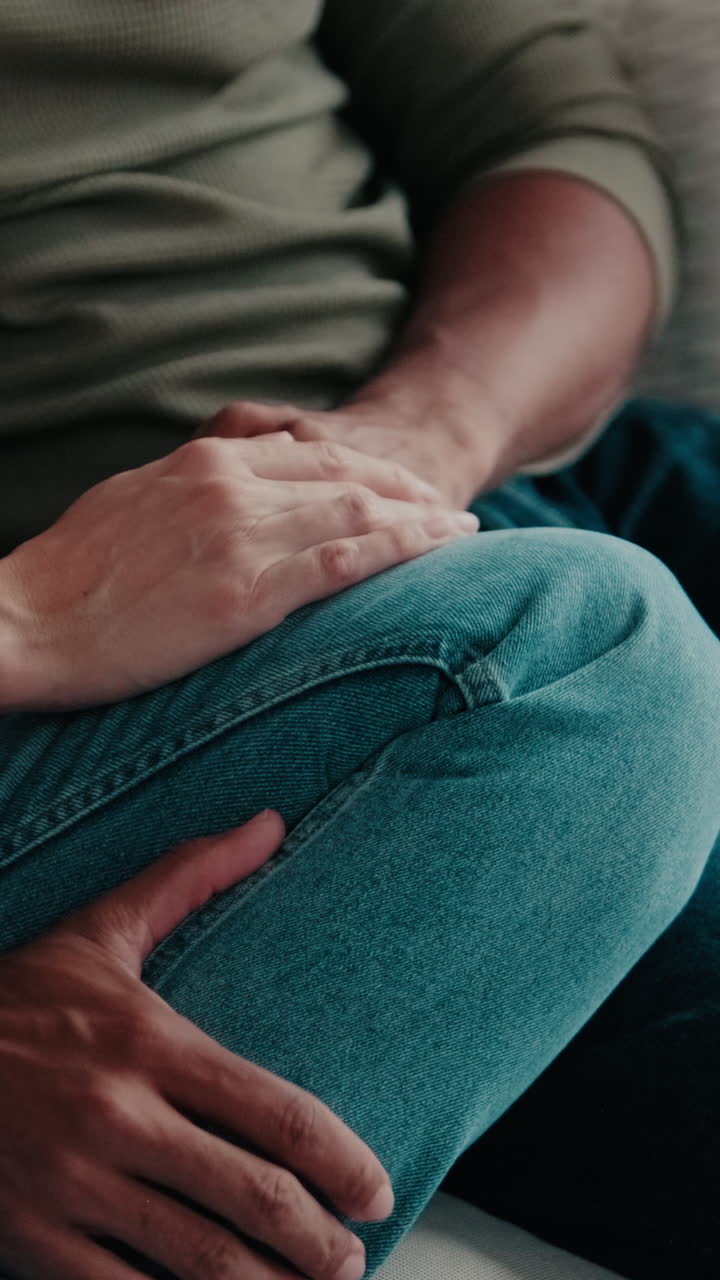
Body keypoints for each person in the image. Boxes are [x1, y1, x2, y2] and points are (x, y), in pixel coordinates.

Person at [0, 3, 717, 1279]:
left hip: (466, 459)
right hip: (114, 665)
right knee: (578, 643)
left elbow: (549, 131)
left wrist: (429, 428)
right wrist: (35, 614)